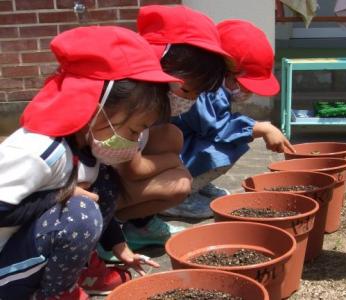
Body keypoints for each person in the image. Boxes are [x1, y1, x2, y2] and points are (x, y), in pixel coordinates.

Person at [0, 26, 180, 299]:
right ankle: (57, 293)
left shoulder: (87, 151)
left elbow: (99, 202)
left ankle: (73, 273)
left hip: (25, 253)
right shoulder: (39, 151)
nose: (134, 142)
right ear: (95, 112)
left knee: (102, 186)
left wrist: (121, 248)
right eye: (133, 131)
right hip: (6, 269)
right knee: (78, 209)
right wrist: (58, 196)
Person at [111, 5, 231, 253]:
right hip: (88, 192)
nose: (191, 99)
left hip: (113, 178)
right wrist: (174, 162)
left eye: (198, 93)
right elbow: (133, 170)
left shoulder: (149, 104)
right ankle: (106, 233)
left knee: (171, 137)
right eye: (186, 90)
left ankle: (138, 225)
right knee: (179, 183)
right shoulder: (127, 107)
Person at [165, 19, 296, 218]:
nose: (248, 93)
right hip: (170, 155)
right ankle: (178, 198)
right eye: (244, 85)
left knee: (231, 140)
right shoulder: (205, 87)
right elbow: (215, 129)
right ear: (228, 72)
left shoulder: (214, 82)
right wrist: (260, 128)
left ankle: (197, 184)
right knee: (228, 146)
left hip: (181, 145)